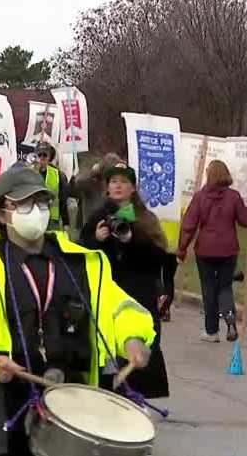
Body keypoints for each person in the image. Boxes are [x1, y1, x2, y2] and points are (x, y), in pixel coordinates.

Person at [0, 167, 156, 456]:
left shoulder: (80, 262)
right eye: (23, 203)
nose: (35, 210)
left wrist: (133, 338)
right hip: (8, 394)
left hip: (72, 395)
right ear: (1, 214)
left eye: (41, 202)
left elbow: (117, 306)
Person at [81, 162, 176, 398]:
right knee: (108, 344)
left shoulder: (145, 218)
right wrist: (96, 240)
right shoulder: (97, 217)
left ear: (133, 187)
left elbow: (159, 258)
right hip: (108, 292)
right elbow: (81, 254)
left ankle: (140, 395)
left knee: (140, 342)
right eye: (114, 181)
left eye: (123, 182)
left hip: (139, 291)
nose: (118, 186)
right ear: (107, 187)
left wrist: (131, 240)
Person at [177, 160, 247, 343]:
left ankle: (211, 331)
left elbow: (189, 225)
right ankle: (230, 321)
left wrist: (182, 249)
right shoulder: (234, 196)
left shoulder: (199, 197)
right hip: (228, 249)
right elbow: (245, 220)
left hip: (205, 250)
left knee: (209, 287)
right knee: (225, 286)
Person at [30, 142, 69, 230]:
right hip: (33, 218)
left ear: (49, 157)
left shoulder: (58, 174)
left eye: (45, 155)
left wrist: (66, 223)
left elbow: (63, 200)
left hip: (51, 220)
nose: (42, 158)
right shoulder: (29, 172)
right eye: (39, 155)